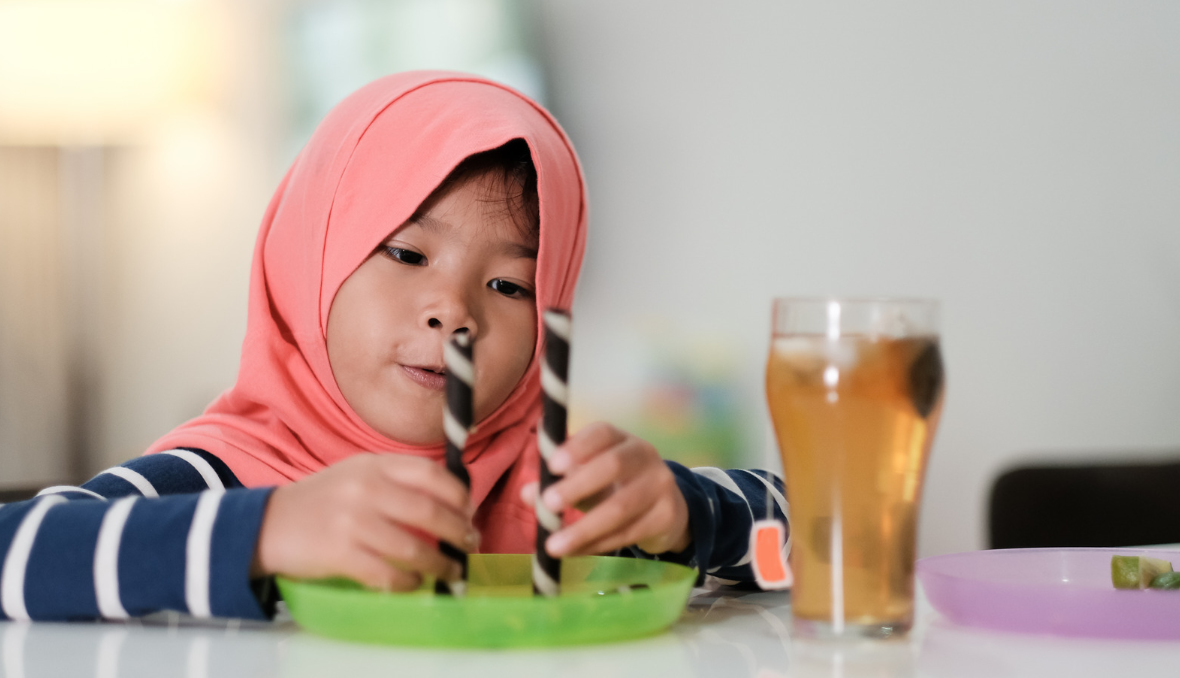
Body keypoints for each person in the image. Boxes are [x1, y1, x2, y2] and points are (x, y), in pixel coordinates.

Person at [0, 72, 787, 622]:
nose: (454, 311)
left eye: (511, 287)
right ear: (310, 260)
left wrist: (689, 514)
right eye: (407, 255)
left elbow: (818, 548)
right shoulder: (223, 477)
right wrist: (268, 530)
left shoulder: (556, 499)